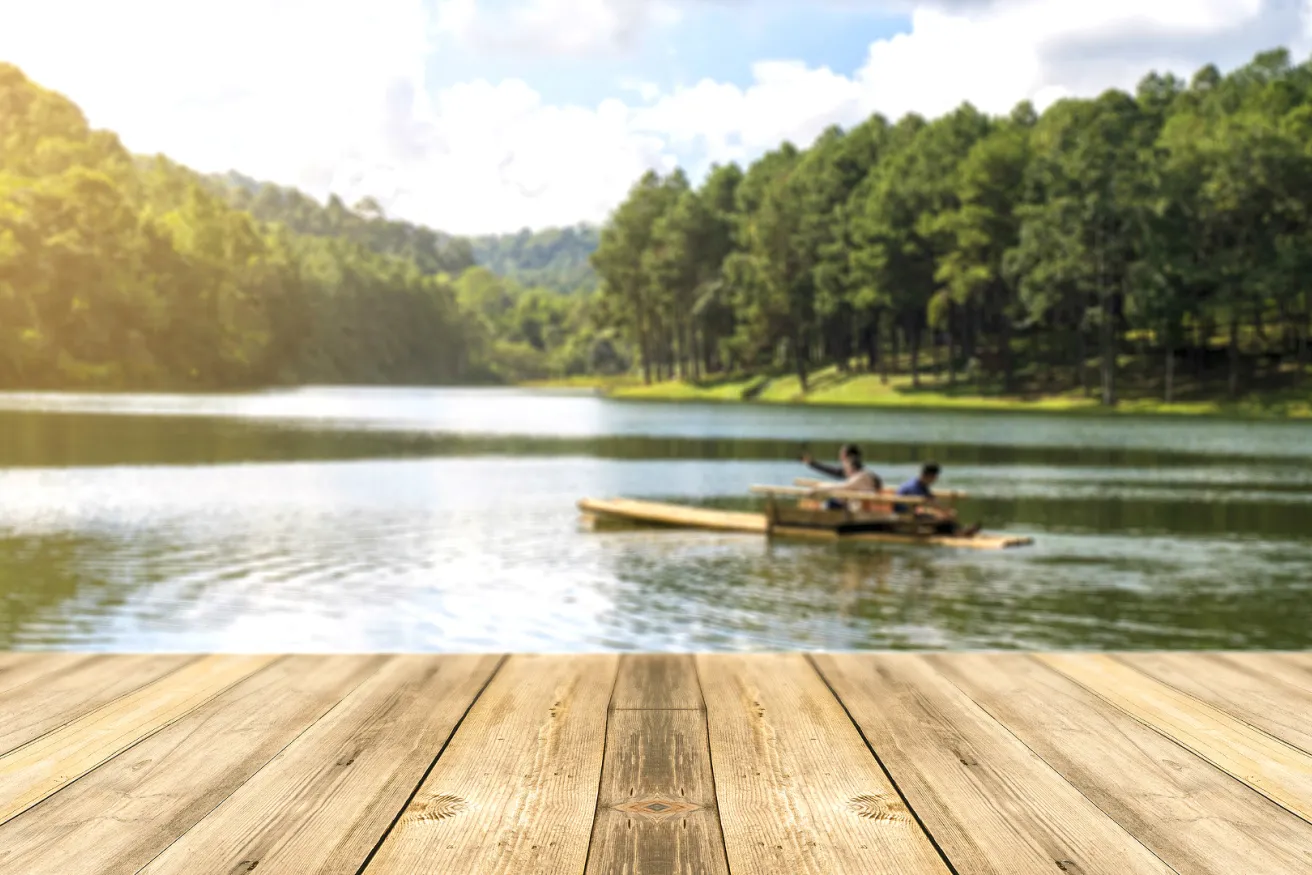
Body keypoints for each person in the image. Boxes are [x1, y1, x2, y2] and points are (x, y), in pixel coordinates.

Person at [895, 462, 981, 536]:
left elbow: (933, 501)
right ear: (928, 475)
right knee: (939, 518)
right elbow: (920, 503)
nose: (935, 479)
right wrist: (939, 513)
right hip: (905, 513)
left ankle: (959, 530)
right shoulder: (912, 487)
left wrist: (945, 512)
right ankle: (958, 532)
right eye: (935, 477)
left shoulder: (922, 485)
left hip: (915, 512)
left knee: (944, 516)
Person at [800, 444, 882, 510]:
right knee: (832, 501)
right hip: (855, 505)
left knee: (831, 503)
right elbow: (833, 472)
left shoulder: (861, 475)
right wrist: (812, 464)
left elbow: (842, 486)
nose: (840, 457)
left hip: (861, 509)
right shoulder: (856, 472)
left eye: (842, 455)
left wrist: (819, 488)